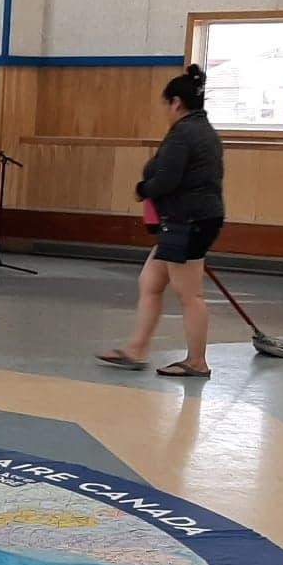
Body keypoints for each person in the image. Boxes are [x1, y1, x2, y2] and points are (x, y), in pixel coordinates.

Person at [97, 64, 224, 378]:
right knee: (150, 283)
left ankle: (197, 361)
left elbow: (167, 178)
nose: (165, 111)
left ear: (176, 103)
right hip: (188, 220)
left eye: (166, 105)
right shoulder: (205, 130)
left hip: (188, 221)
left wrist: (143, 190)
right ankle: (136, 349)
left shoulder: (183, 133)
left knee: (189, 294)